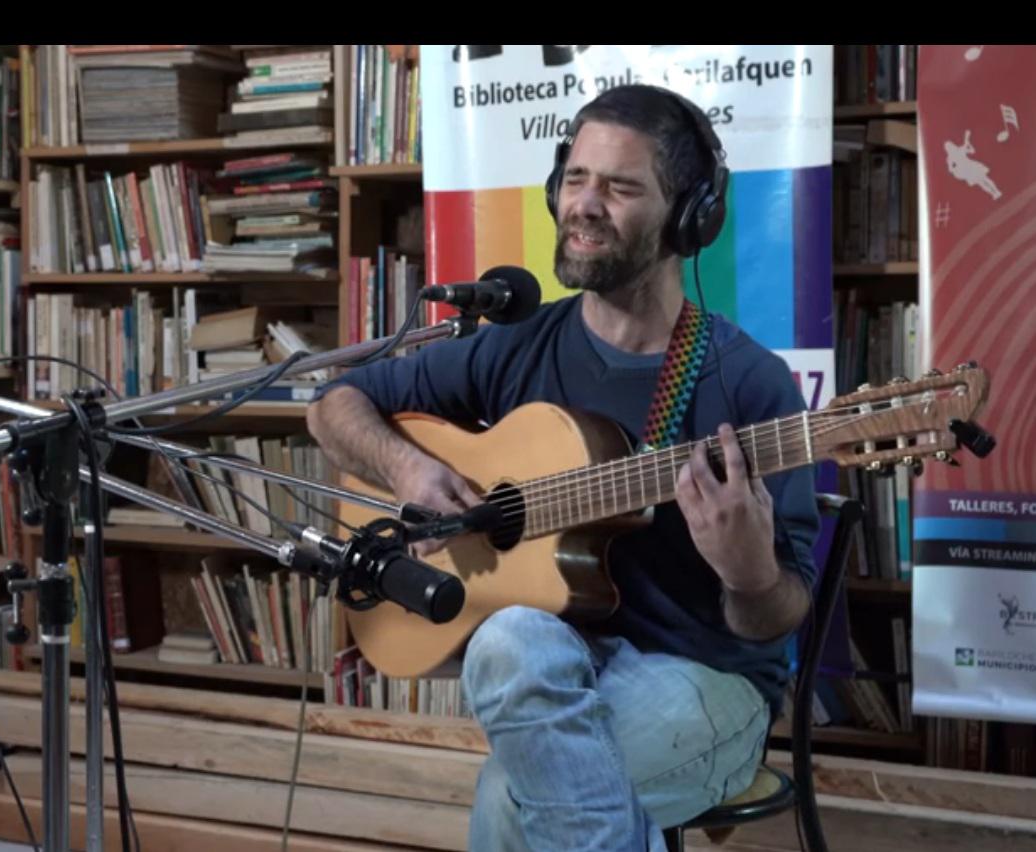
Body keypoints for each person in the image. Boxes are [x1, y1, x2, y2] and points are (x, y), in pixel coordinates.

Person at [305, 85, 820, 851]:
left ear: (689, 218)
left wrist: (748, 575)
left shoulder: (743, 383)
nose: (585, 205)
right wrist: (412, 473)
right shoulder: (517, 345)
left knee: (519, 793)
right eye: (576, 180)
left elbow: (778, 613)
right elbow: (333, 405)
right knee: (506, 635)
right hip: (553, 667)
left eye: (619, 187)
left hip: (707, 681)